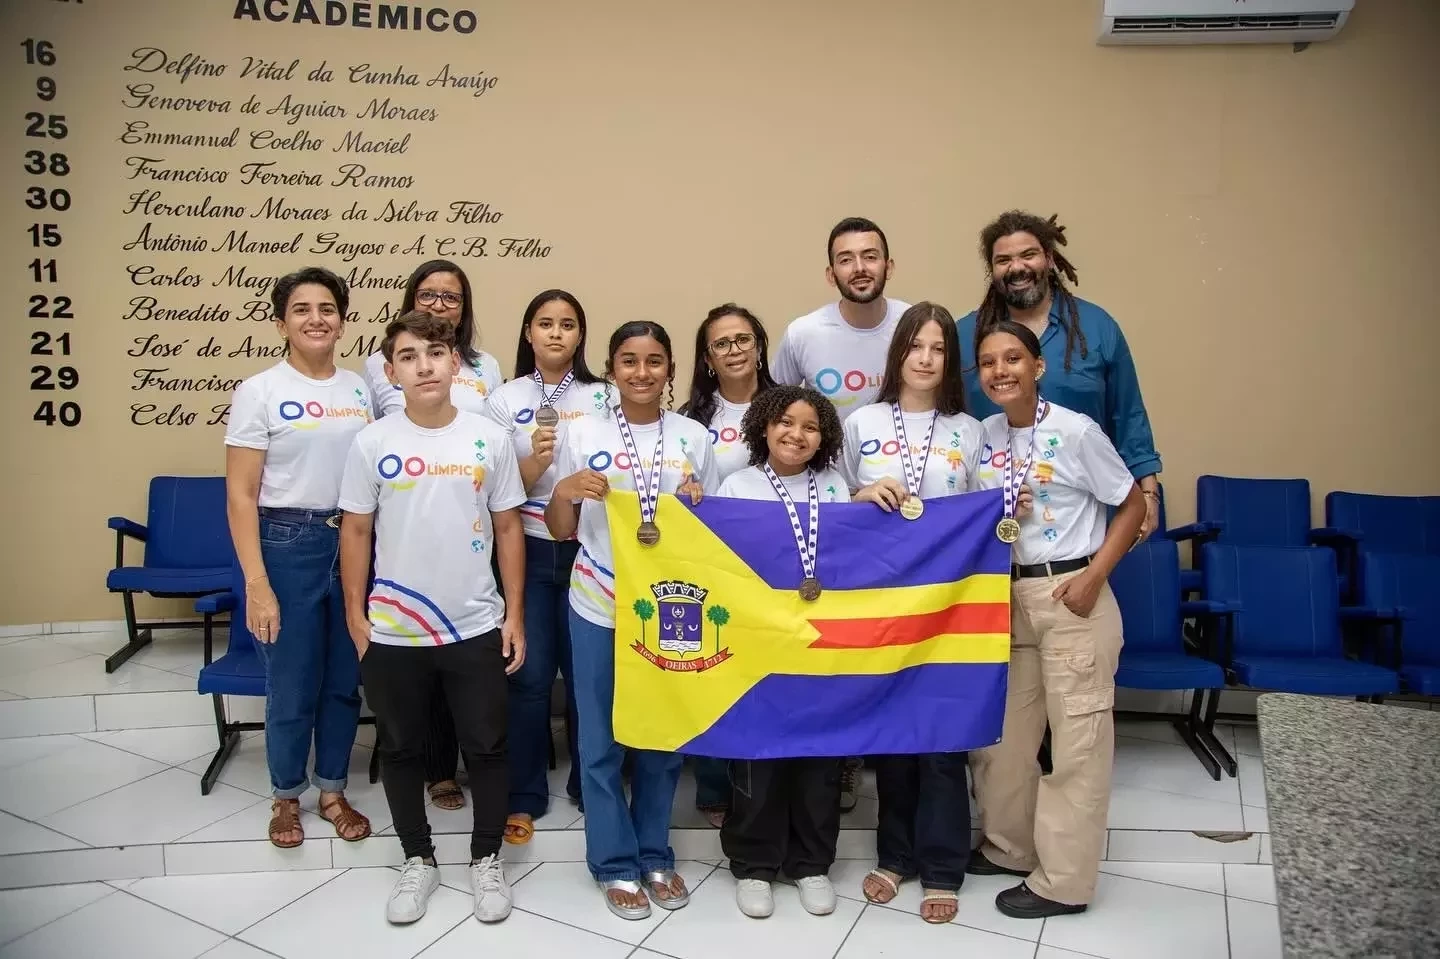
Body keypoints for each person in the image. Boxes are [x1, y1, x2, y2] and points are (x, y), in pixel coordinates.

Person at [338, 310, 527, 926]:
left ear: (455, 365)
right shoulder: (372, 441)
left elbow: (507, 528)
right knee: (401, 748)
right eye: (410, 355)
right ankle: (417, 859)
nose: (424, 365)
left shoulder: (488, 438)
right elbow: (357, 531)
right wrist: (355, 616)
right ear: (391, 371)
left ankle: (486, 857)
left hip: (473, 623)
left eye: (436, 353)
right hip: (394, 627)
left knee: (488, 747)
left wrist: (516, 615)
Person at [966, 320, 1145, 920]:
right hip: (1006, 600)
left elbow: (1134, 502)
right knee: (1006, 740)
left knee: (1076, 746)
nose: (1000, 371)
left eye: (1012, 358)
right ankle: (1009, 846)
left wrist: (1094, 577)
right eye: (988, 362)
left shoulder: (1076, 431)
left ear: (1037, 367)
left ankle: (1064, 882)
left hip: (1070, 594)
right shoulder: (984, 435)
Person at [545, 321, 717, 920]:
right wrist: (564, 490)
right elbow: (559, 528)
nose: (641, 373)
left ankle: (654, 850)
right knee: (599, 739)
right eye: (628, 361)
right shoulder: (584, 430)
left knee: (663, 737)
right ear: (612, 368)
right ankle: (613, 862)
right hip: (597, 597)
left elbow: (714, 535)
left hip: (672, 606)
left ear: (670, 369)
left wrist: (698, 501)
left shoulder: (694, 437)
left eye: (654, 362)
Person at [841, 302, 985, 925]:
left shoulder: (968, 430)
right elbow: (835, 497)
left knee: (943, 743)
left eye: (937, 349)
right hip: (882, 604)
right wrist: (861, 492)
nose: (925, 359)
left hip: (950, 607)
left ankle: (944, 865)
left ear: (949, 360)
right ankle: (895, 856)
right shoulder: (862, 422)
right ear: (897, 353)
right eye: (915, 346)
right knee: (894, 737)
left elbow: (985, 514)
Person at [224, 266, 372, 849]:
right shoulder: (259, 390)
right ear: (281, 320)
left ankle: (332, 789)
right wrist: (256, 584)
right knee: (291, 681)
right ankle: (287, 795)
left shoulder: (359, 388)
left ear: (341, 319)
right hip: (288, 543)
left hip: (355, 542)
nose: (317, 319)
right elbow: (240, 495)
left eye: (327, 308)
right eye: (303, 309)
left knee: (344, 678)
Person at [771, 215, 910, 811]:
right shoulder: (804, 333)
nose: (860, 267)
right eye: (847, 259)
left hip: (897, 513)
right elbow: (777, 406)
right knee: (833, 636)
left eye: (871, 255)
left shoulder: (912, 325)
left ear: (888, 265)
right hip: (827, 506)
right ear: (831, 271)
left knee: (887, 636)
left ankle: (880, 751)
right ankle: (842, 758)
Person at [361, 259, 506, 813]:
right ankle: (439, 770)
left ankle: (480, 762)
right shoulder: (383, 363)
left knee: (466, 648)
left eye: (451, 297)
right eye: (429, 295)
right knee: (422, 649)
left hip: (470, 520)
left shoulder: (484, 365)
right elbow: (382, 431)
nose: (439, 305)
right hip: (409, 521)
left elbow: (494, 435)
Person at [715, 384, 850, 919]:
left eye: (811, 427)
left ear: (824, 439)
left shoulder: (836, 488)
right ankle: (753, 864)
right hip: (757, 646)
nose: (797, 434)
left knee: (819, 757)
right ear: (764, 427)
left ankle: (812, 862)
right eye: (785, 423)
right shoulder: (739, 485)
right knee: (758, 756)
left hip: (822, 646)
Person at [957, 211, 1164, 541]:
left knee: (1081, 590)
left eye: (1028, 254)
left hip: (1083, 519)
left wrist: (1149, 493)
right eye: (1003, 260)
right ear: (992, 270)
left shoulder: (1096, 328)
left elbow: (1128, 413)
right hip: (994, 519)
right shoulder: (965, 336)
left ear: (1049, 259)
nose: (1017, 267)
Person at [483, 290, 604, 844]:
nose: (557, 333)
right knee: (529, 678)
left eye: (568, 325)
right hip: (528, 550)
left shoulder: (602, 396)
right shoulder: (504, 398)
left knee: (588, 678)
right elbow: (501, 488)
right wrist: (536, 456)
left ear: (581, 335)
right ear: (528, 333)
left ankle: (589, 784)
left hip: (590, 551)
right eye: (545, 324)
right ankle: (526, 793)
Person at [678, 303, 778, 829]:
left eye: (743, 339)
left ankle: (769, 776)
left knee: (766, 677)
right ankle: (715, 786)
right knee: (713, 673)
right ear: (708, 358)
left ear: (760, 345)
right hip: (713, 566)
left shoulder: (790, 405)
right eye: (722, 343)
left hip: (779, 567)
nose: (734, 349)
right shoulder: (693, 420)